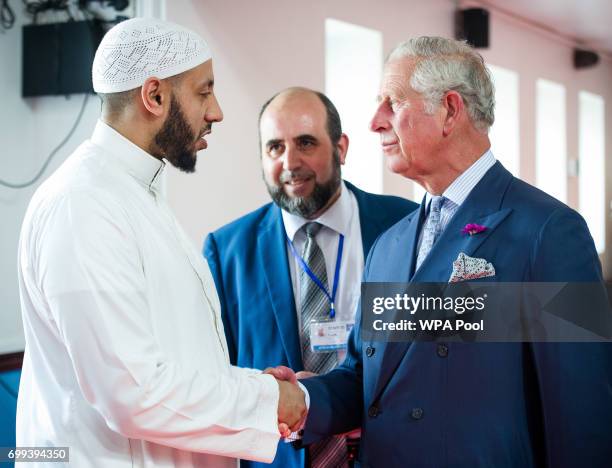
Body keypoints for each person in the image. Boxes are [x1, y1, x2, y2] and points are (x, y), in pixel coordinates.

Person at [281, 37, 612, 467]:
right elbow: (370, 376)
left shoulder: (552, 232)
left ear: (450, 111)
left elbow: (583, 414)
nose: (375, 122)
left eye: (392, 102)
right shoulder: (389, 244)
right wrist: (299, 398)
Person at [16, 18, 305, 468]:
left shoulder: (136, 195)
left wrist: (251, 385)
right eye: (204, 91)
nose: (217, 112)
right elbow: (132, 392)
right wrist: (271, 400)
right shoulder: (83, 204)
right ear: (154, 96)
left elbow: (168, 359)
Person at [204, 87, 417, 468]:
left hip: (392, 452)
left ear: (341, 148)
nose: (290, 162)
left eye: (305, 143)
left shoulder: (404, 225)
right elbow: (217, 376)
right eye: (274, 147)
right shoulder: (227, 252)